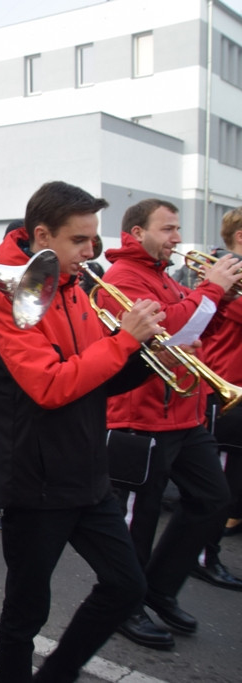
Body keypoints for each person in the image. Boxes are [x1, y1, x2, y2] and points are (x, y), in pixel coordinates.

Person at [0, 181, 165, 683]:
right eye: (81, 241)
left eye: (94, 241)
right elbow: (52, 387)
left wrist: (147, 350)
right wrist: (124, 339)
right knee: (26, 613)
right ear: (43, 236)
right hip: (36, 482)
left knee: (127, 587)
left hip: (85, 470)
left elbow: (94, 375)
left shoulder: (74, 288)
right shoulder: (8, 299)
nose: (91, 253)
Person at [99, 198, 242, 649]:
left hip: (185, 412)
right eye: (168, 229)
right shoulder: (123, 277)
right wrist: (214, 290)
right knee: (138, 520)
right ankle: (125, 603)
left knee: (212, 499)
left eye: (177, 229)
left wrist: (221, 300)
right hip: (143, 416)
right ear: (136, 233)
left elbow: (197, 331)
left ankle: (158, 589)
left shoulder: (162, 275)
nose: (177, 238)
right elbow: (165, 332)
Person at [193, 206, 242, 591]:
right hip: (225, 386)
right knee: (218, 485)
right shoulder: (226, 276)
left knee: (228, 481)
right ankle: (203, 554)